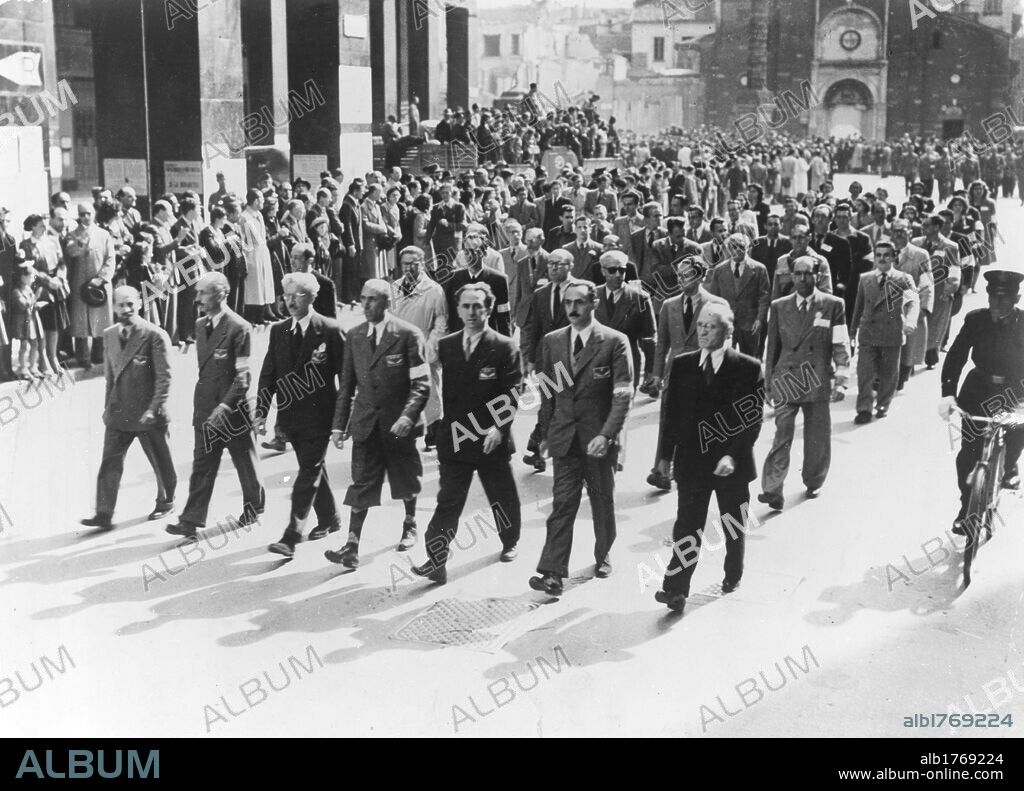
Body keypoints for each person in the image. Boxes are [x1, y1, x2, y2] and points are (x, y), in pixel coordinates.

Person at [654, 302, 764, 613]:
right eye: (700, 325)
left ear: (727, 331)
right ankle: (675, 589)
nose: (703, 331)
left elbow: (752, 419)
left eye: (710, 326)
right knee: (687, 527)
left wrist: (732, 454)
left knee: (732, 524)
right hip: (692, 462)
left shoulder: (747, 367)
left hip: (732, 463)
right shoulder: (683, 364)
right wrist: (664, 456)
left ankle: (733, 573)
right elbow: (671, 415)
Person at [411, 283, 523, 583]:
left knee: (501, 495)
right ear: (458, 310)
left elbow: (512, 392)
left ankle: (510, 541)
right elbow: (428, 380)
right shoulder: (446, 346)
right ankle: (436, 560)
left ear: (488, 308)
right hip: (456, 436)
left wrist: (500, 428)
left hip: (491, 438)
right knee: (448, 500)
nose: (472, 312)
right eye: (466, 306)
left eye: (478, 306)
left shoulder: (504, 346)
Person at [528, 281, 633, 596]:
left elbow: (622, 396)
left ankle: (603, 554)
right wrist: (543, 434)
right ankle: (552, 573)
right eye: (568, 302)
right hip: (564, 438)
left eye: (580, 303)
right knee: (563, 504)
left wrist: (607, 434)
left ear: (594, 303)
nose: (572, 309)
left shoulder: (614, 342)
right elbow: (548, 393)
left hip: (597, 440)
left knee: (602, 502)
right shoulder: (553, 342)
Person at [325, 279, 430, 568]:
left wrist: (408, 416)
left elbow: (421, 383)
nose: (366, 305)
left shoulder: (409, 335)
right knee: (361, 484)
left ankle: (410, 523)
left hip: (398, 425)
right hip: (366, 423)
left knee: (406, 479)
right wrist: (338, 426)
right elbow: (346, 384)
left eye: (373, 299)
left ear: (388, 303)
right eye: (363, 299)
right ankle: (352, 546)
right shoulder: (355, 336)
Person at [166, 272, 265, 541]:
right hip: (205, 408)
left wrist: (224, 405)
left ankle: (254, 505)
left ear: (220, 294)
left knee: (244, 462)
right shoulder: (200, 325)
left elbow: (243, 375)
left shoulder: (239, 327)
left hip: (231, 410)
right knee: (202, 465)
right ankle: (190, 520)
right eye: (197, 293)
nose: (196, 298)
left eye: (202, 293)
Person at [259, 273, 347, 558]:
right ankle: (330, 518)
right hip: (290, 417)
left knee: (307, 472)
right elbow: (268, 374)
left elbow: (347, 379)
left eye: (297, 295)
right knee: (313, 467)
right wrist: (261, 413)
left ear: (311, 297)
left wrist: (343, 420)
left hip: (320, 417)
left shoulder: (330, 330)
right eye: (286, 296)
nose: (290, 301)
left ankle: (291, 535)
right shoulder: (279, 330)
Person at [758, 257, 850, 511]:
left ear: (817, 275)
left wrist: (841, 380)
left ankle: (813, 480)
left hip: (817, 377)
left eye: (806, 274)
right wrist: (767, 382)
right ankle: (773, 488)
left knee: (817, 435)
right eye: (796, 274)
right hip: (786, 377)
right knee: (782, 433)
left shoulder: (833, 305)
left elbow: (841, 343)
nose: (801, 279)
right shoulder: (779, 306)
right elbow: (772, 346)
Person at [81, 286, 176, 530]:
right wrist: (107, 408)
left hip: (148, 413)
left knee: (159, 460)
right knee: (110, 462)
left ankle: (166, 501)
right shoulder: (110, 334)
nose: (127, 309)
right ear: (113, 307)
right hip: (119, 411)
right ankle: (103, 513)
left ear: (140, 305)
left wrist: (154, 408)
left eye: (131, 304)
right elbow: (111, 377)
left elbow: (164, 378)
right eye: (121, 305)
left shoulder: (154, 335)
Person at [938, 270, 1024, 534]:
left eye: (1004, 298)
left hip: (1014, 393)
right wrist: (948, 392)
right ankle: (966, 508)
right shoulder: (975, 320)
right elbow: (956, 355)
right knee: (968, 454)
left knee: (1016, 434)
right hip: (977, 391)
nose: (997, 304)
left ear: (1016, 298)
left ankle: (1009, 467)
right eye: (992, 298)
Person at [649, 256, 728, 491]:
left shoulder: (716, 304)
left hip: (704, 372)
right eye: (679, 276)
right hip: (674, 373)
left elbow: (724, 342)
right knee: (668, 421)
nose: (681, 280)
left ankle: (694, 467)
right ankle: (661, 470)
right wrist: (656, 374)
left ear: (701, 276)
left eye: (687, 275)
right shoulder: (669, 305)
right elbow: (661, 343)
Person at [850, 241, 920, 424]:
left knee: (889, 374)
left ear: (893, 257)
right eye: (878, 255)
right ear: (874, 257)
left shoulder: (903, 279)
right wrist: (851, 331)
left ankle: (883, 405)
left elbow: (913, 302)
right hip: (868, 333)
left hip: (892, 332)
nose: (882, 259)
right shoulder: (865, 279)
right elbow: (858, 306)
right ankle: (864, 409)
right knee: (865, 374)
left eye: (886, 255)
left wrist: (911, 321)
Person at [391, 247, 448, 451]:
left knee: (431, 391)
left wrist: (431, 347)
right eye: (405, 264)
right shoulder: (394, 288)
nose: (409, 268)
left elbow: (441, 321)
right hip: (400, 347)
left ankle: (434, 432)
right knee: (403, 392)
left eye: (413, 263)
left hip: (424, 343)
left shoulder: (434, 289)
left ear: (422, 263)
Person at [593, 251, 656, 392]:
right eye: (612, 270)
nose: (618, 275)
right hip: (599, 363)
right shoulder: (592, 296)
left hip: (628, 363)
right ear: (603, 271)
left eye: (622, 270)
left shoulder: (640, 298)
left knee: (622, 406)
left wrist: (650, 372)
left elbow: (649, 338)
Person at [65, 203, 116, 369]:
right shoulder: (72, 235)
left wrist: (101, 278)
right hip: (79, 282)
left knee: (99, 318)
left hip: (98, 284)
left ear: (93, 214)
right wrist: (81, 243)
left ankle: (98, 354)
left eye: (88, 213)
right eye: (82, 214)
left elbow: (110, 259)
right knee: (81, 320)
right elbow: (70, 252)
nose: (85, 217)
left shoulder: (104, 234)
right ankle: (82, 357)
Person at [705, 233, 770, 357]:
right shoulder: (720, 269)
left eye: (741, 246)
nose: (738, 250)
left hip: (749, 323)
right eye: (734, 247)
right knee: (725, 359)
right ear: (728, 248)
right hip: (726, 322)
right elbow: (714, 297)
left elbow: (764, 297)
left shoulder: (759, 269)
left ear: (748, 247)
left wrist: (759, 319)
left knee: (750, 360)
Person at [890, 219, 933, 390]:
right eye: (896, 231)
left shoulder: (920, 254)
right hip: (888, 309)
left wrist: (923, 308)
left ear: (910, 232)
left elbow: (926, 284)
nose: (899, 234)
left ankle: (902, 375)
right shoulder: (884, 251)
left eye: (903, 230)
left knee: (908, 348)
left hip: (910, 309)